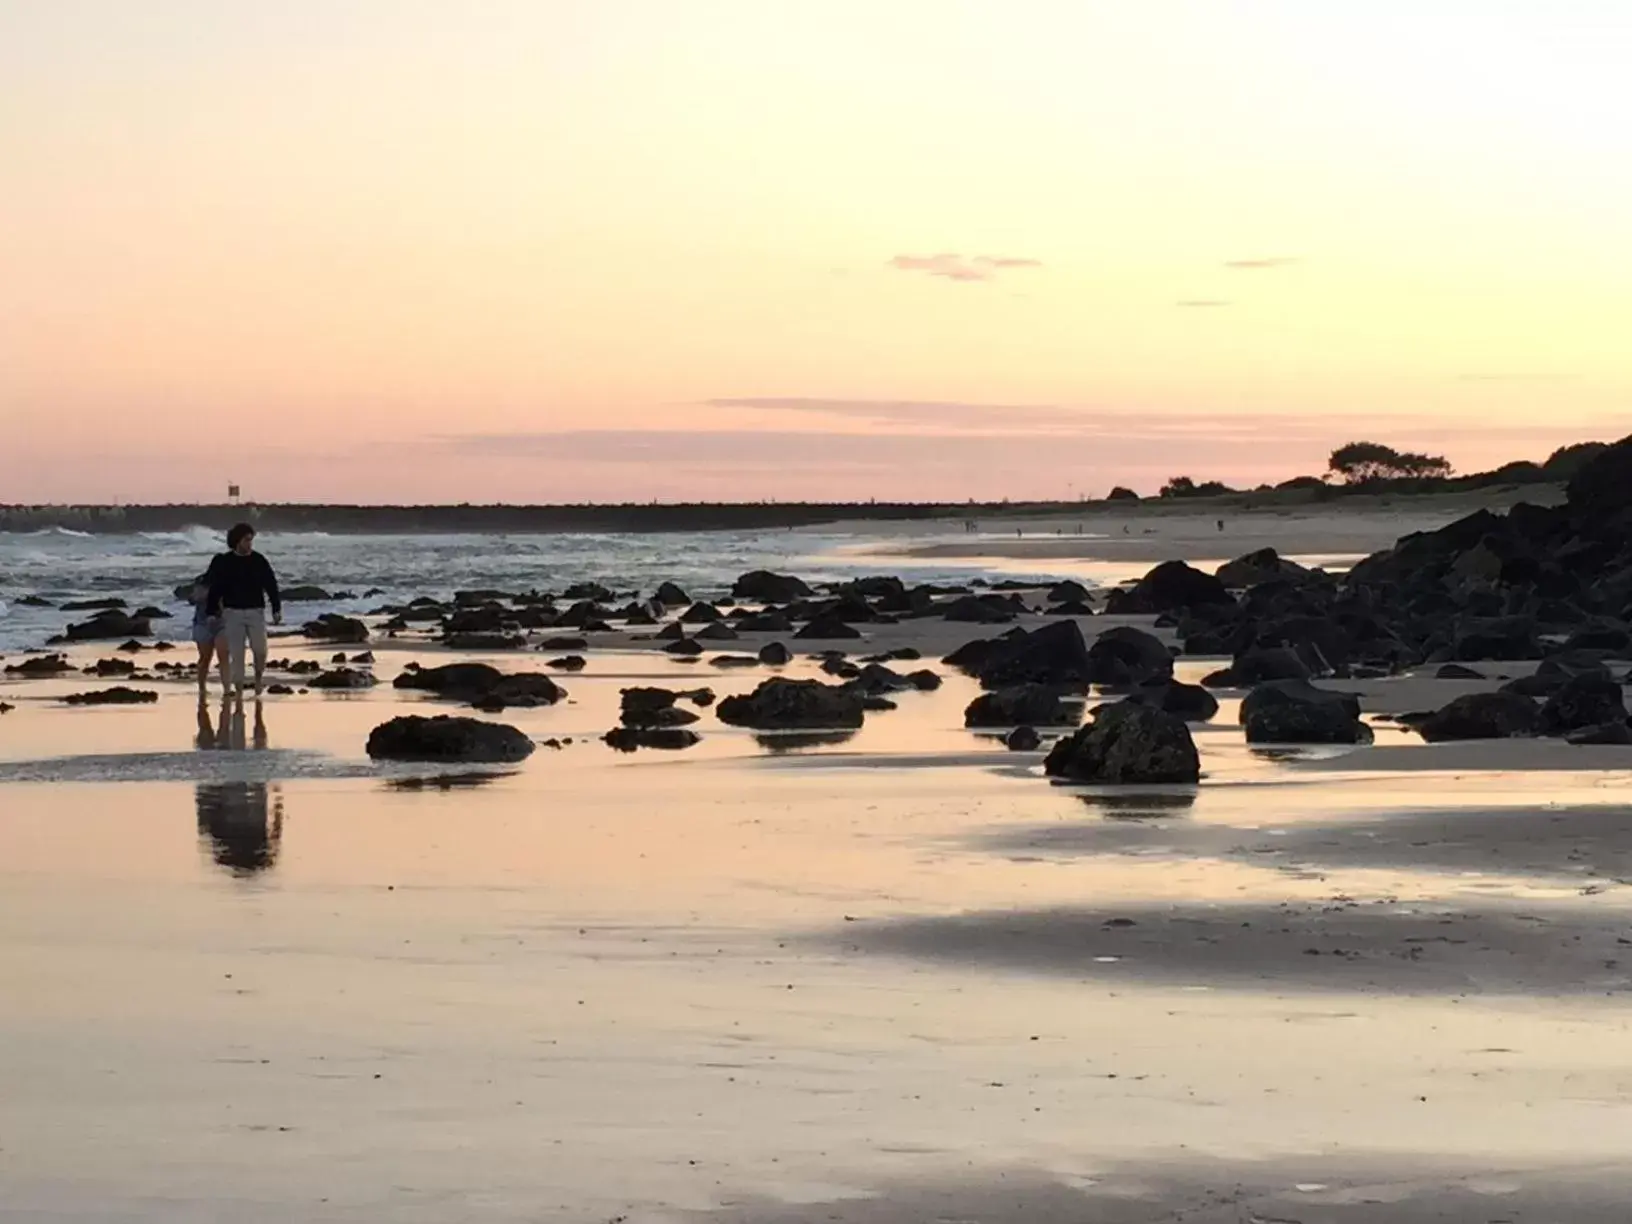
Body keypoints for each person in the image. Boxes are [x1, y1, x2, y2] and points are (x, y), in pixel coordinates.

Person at [205, 523, 282, 695]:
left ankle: (258, 678)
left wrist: (276, 608)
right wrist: (211, 612)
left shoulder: (258, 560)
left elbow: (271, 585)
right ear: (237, 541)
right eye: (246, 540)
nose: (249, 544)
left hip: (256, 612)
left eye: (251, 540)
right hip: (232, 613)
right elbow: (216, 588)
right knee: (237, 655)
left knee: (260, 650)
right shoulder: (225, 562)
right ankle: (238, 692)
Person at [188, 572, 229, 695]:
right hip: (202, 624)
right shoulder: (201, 581)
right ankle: (202, 687)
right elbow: (191, 599)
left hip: (222, 623)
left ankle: (227, 689)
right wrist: (199, 595)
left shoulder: (226, 581)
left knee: (224, 656)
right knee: (205, 658)